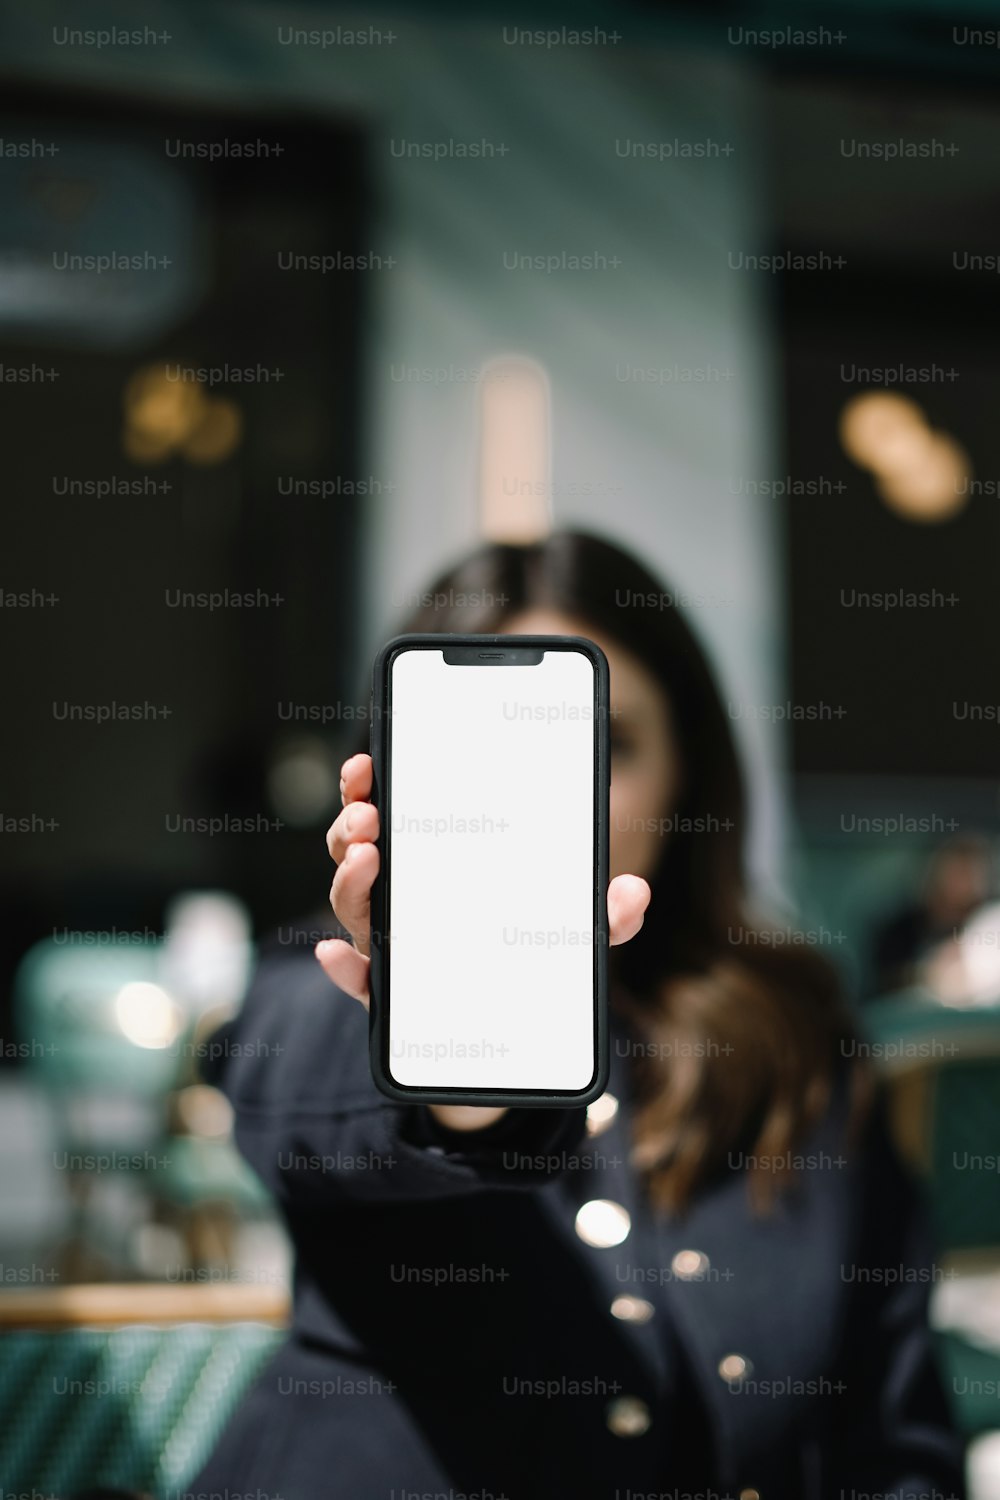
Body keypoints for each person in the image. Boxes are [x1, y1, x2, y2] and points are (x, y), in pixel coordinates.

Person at [192, 531, 965, 1500]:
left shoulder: (795, 1034)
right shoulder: (329, 980)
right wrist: (451, 1045)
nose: (559, 793)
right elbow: (294, 1094)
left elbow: (893, 1435)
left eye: (609, 743)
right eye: (491, 751)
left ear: (689, 766)